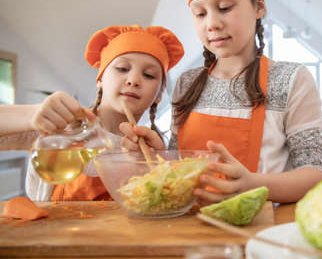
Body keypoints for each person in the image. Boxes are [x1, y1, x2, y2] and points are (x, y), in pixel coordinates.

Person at [123, 0, 322, 205]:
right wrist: (159, 154)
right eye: (200, 13)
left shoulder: (291, 79)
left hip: (260, 228)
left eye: (224, 7)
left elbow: (315, 174)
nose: (212, 23)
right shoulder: (187, 83)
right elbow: (179, 165)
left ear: (259, 8)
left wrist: (252, 184)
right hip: (188, 227)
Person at [0, 25, 184, 201]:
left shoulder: (153, 150)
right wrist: (30, 115)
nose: (134, 80)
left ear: (159, 94)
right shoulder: (64, 128)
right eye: (122, 68)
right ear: (100, 78)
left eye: (149, 75)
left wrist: (156, 168)